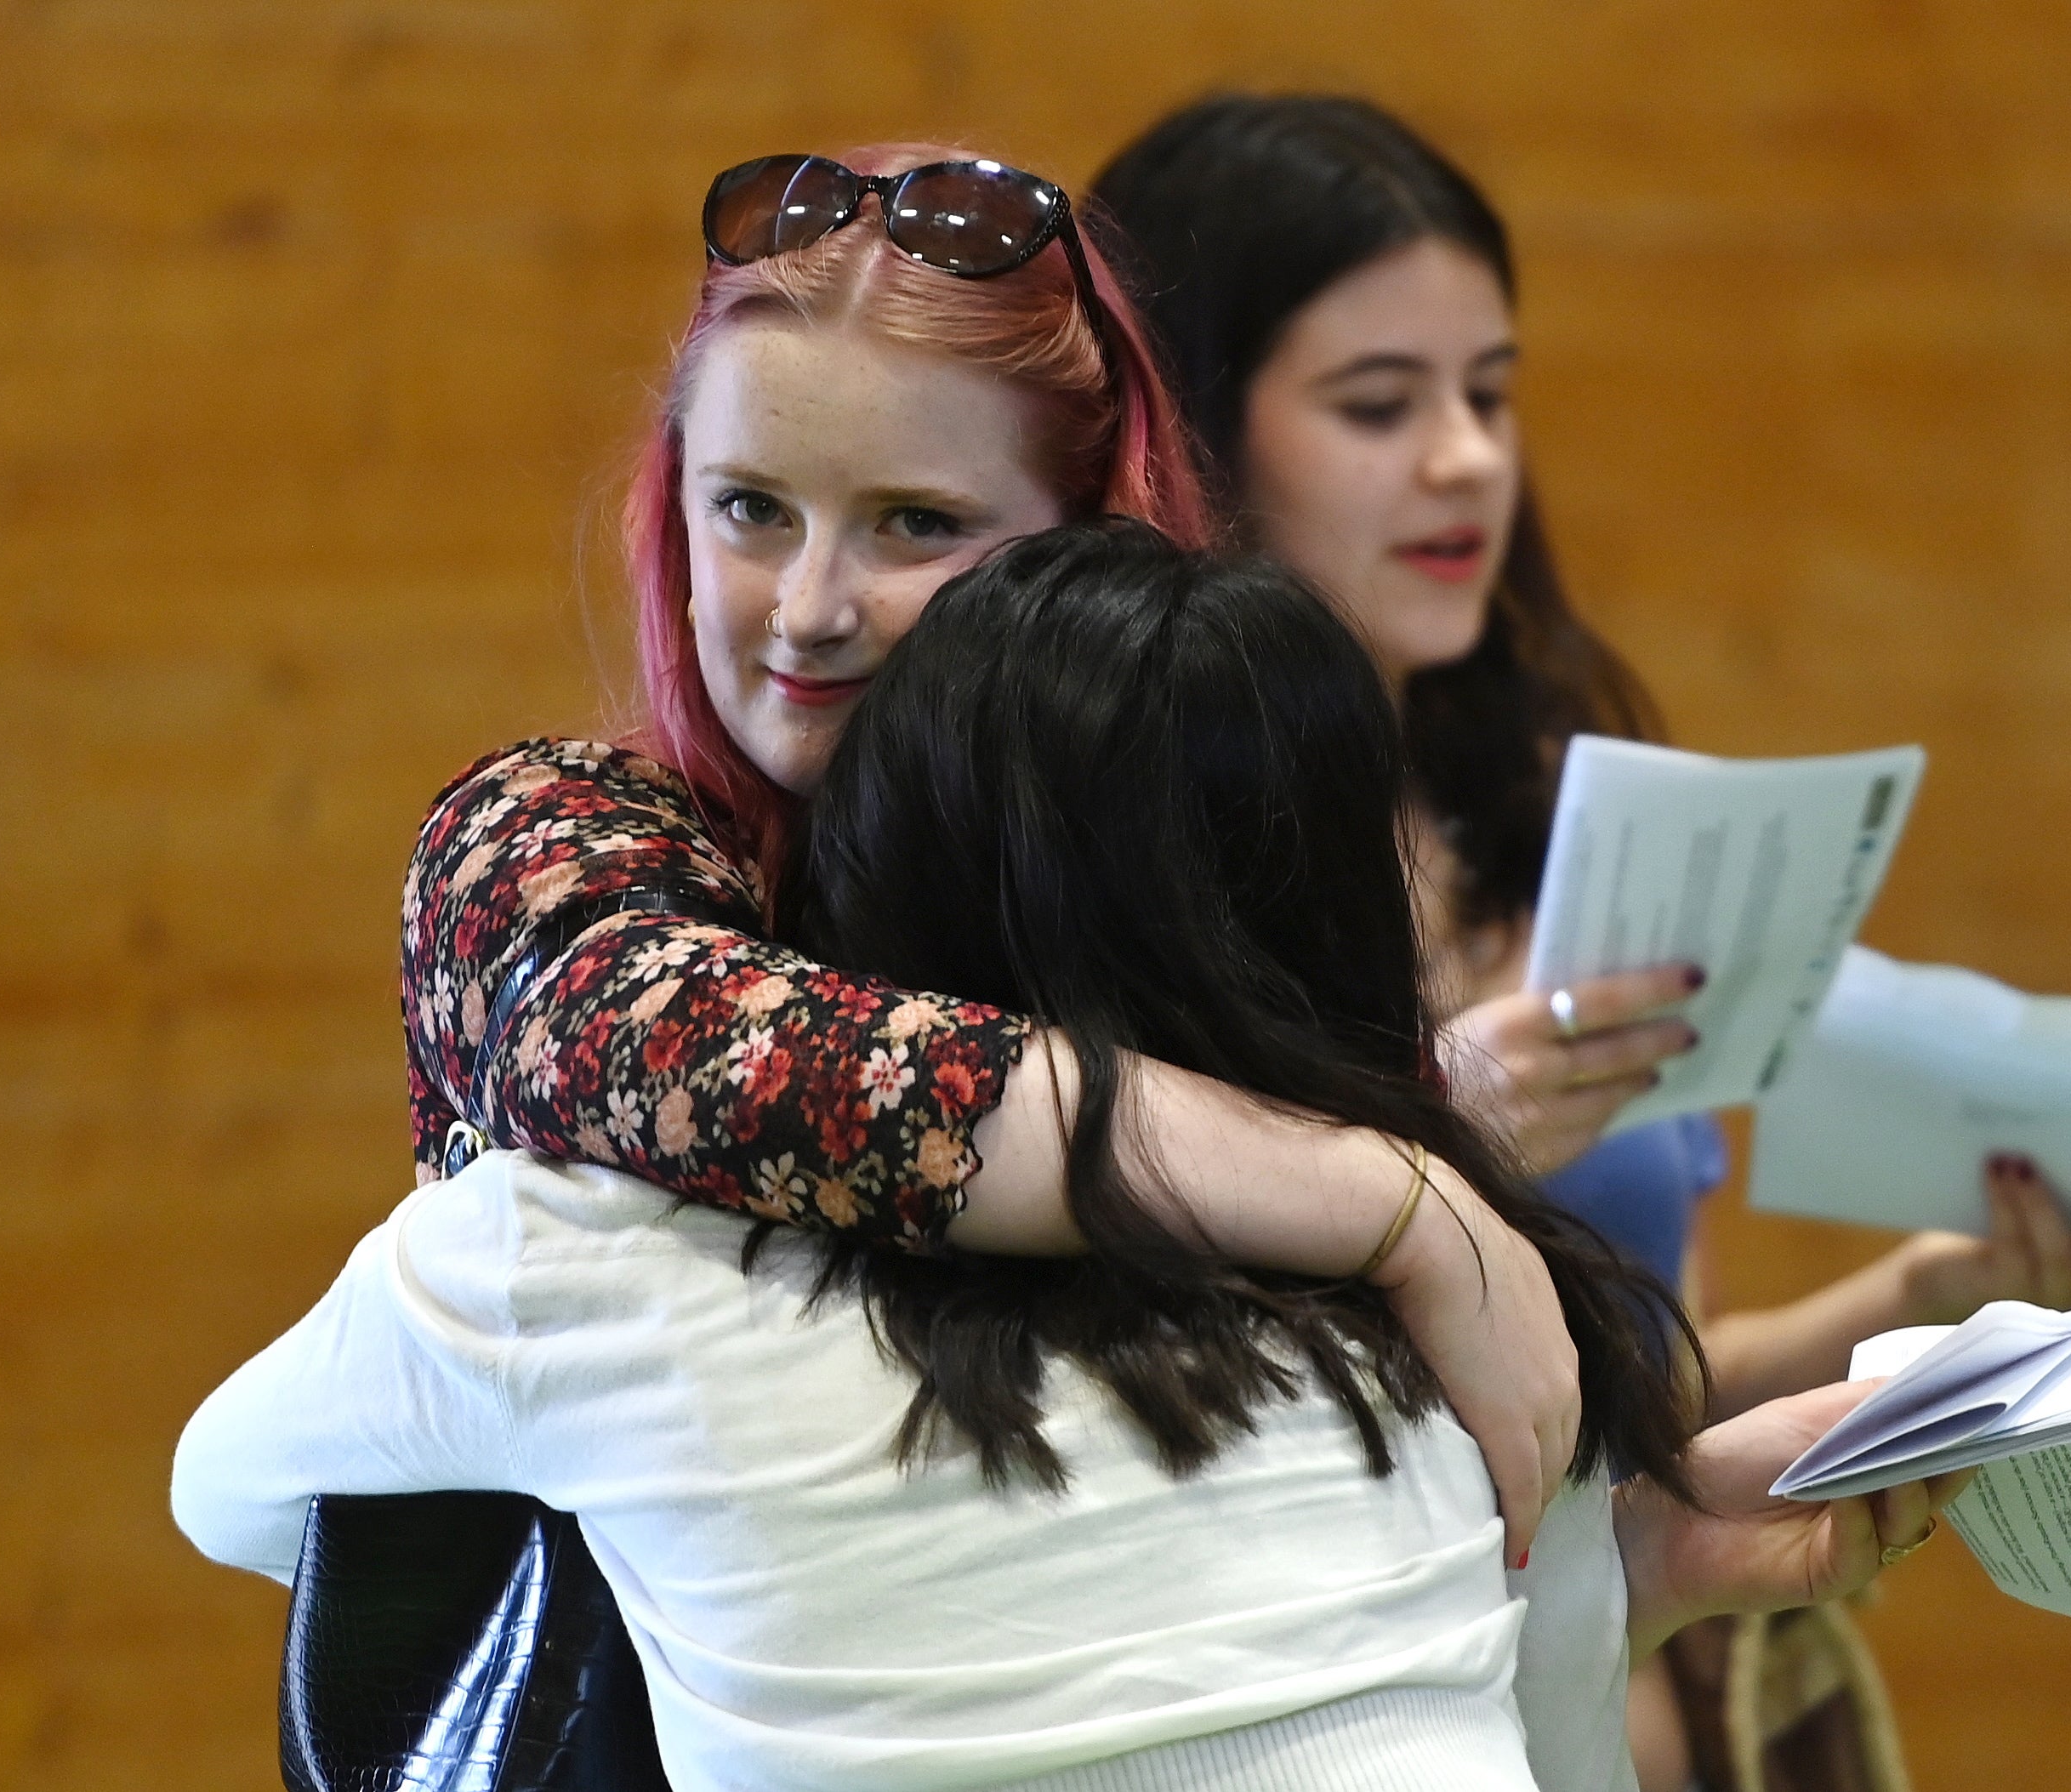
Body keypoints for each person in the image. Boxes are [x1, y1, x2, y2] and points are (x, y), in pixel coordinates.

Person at [176, 521, 1971, 1792]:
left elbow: (238, 1492)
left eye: (917, 526)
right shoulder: (1476, 1326)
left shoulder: (581, 1251)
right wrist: (1608, 1574)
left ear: (880, 863)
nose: (820, 606)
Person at [1089, 90, 2071, 1784]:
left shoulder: (1556, 814)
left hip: (1639, 1715)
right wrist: (1437, 1124)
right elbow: (1144, 1407)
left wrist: (1930, 1299)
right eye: (1378, 403)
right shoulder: (1108, 856)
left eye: (1489, 392)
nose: (1465, 458)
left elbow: (1646, 1406)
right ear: (1188, 434)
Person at [399, 142, 1617, 1563]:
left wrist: (1644, 1547)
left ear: (1084, 544)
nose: (807, 608)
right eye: (751, 509)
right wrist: (1397, 1195)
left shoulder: (1177, 873)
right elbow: (675, 1054)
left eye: (916, 524)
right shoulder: (547, 836)